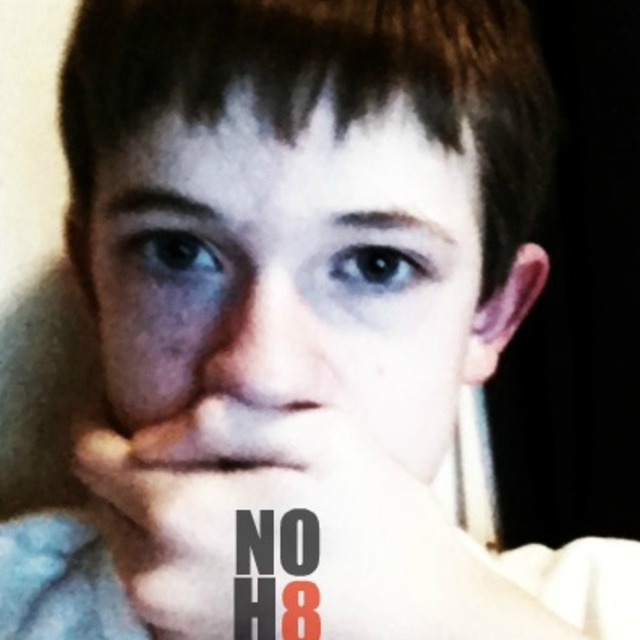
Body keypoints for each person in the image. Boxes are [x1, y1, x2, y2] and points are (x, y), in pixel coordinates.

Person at [1, 0, 638, 638]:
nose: (262, 375)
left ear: (492, 314)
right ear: (92, 280)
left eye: (377, 265)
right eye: (178, 251)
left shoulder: (611, 604)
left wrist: (446, 620)